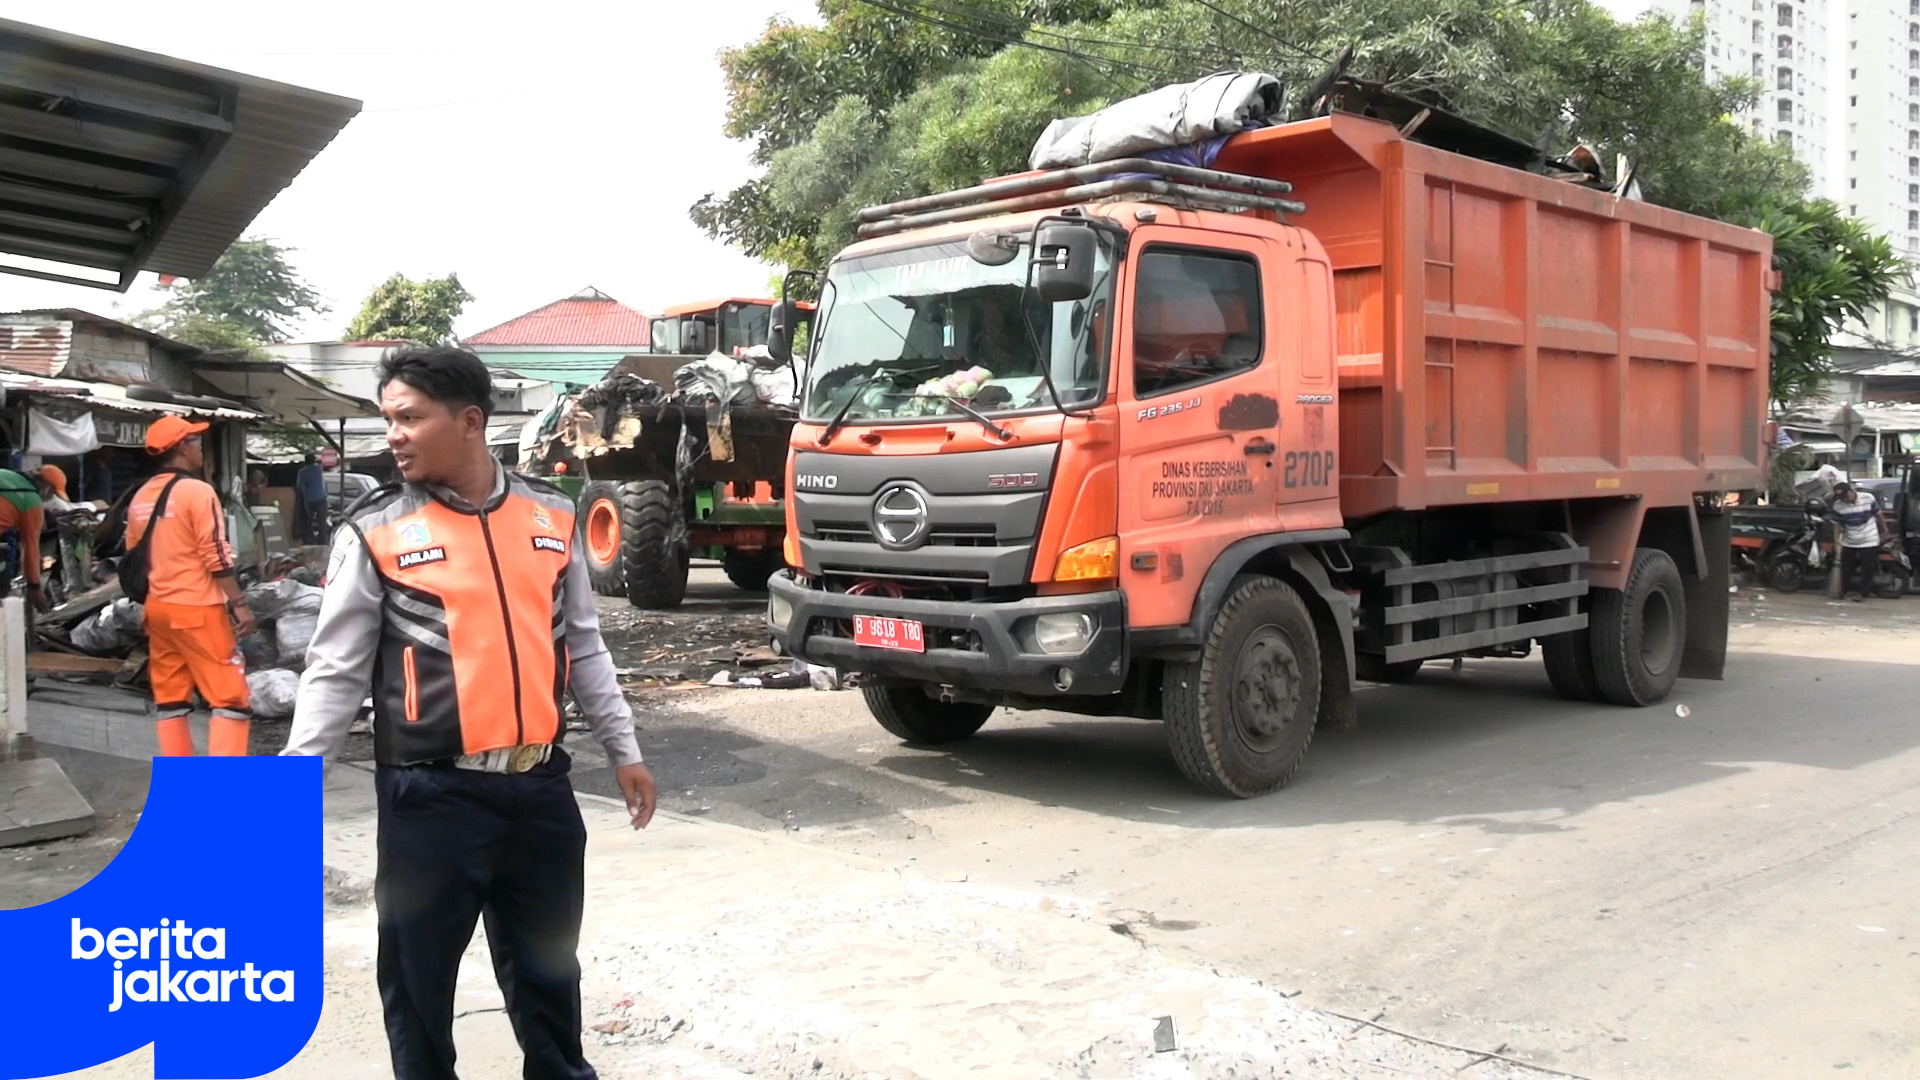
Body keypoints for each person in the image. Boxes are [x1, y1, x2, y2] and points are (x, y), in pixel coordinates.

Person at [281, 345, 656, 1080]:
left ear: (470, 421)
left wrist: (625, 750)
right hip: (430, 798)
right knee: (419, 985)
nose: (394, 434)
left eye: (410, 418)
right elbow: (334, 670)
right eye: (389, 418)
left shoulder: (551, 513)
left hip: (540, 791)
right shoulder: (375, 531)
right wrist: (297, 785)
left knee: (551, 977)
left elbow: (584, 644)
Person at [123, 417, 256, 757]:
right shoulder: (197, 491)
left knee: (170, 699)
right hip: (197, 608)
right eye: (196, 443)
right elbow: (215, 554)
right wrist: (238, 602)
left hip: (158, 610)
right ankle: (225, 792)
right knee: (230, 698)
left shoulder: (141, 497)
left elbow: (134, 555)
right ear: (182, 448)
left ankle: (182, 789)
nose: (200, 449)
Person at [0, 467, 49, 611]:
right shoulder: (32, 500)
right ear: (46, 487)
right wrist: (34, 587)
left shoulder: (6, 474)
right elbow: (30, 548)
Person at [1829, 480, 1886, 602]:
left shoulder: (1868, 498)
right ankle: (1843, 591)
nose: (1844, 499)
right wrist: (1836, 540)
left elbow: (1879, 515)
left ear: (1851, 491)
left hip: (1869, 539)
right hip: (1849, 540)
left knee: (1867, 568)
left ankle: (1863, 593)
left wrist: (1884, 531)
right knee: (1846, 567)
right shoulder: (1838, 505)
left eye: (1845, 496)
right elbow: (1836, 525)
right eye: (1840, 497)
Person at [295, 452, 329, 544]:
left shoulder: (302, 472)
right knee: (322, 520)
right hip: (321, 498)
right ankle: (323, 541)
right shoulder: (319, 468)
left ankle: (310, 540)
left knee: (308, 521)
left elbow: (299, 486)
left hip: (309, 499)